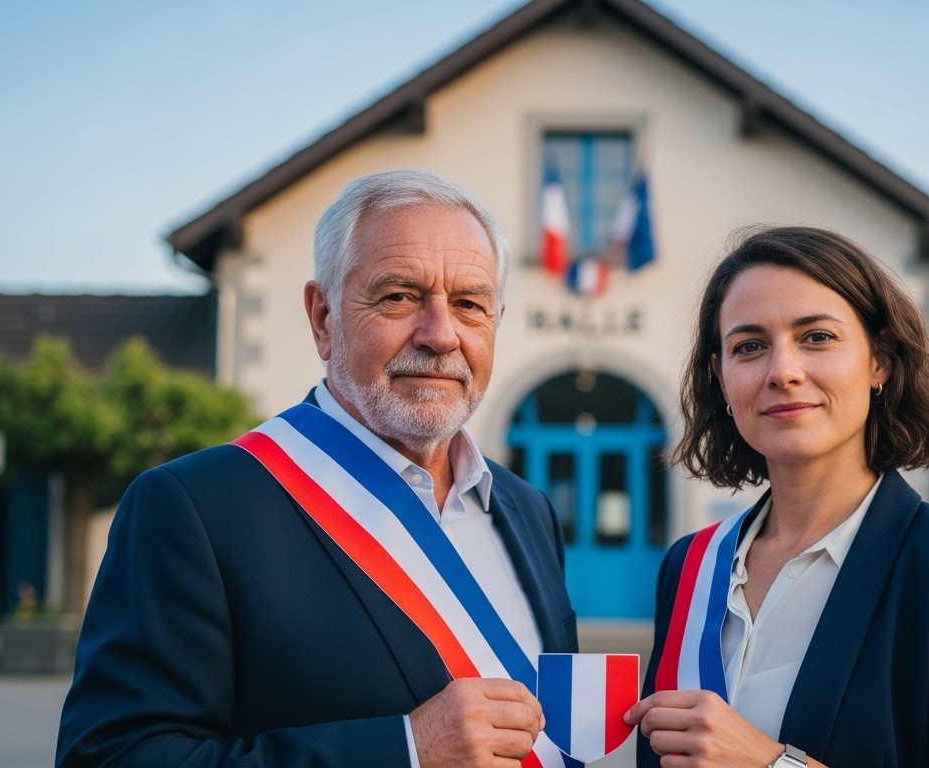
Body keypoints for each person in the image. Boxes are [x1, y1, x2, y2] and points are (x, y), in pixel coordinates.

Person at [57, 169, 578, 768]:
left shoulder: (528, 511)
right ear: (323, 318)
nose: (441, 335)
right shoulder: (194, 508)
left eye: (469, 305)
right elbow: (113, 757)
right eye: (399, 296)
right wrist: (405, 750)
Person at [626, 226, 929, 767]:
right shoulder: (690, 565)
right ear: (721, 377)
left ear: (880, 361)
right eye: (749, 346)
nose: (783, 372)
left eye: (817, 337)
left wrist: (773, 766)